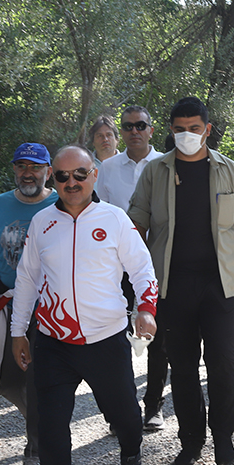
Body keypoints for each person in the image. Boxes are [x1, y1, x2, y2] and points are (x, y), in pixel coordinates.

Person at [11, 145, 158, 465]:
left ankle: (130, 452)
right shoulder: (42, 223)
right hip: (53, 341)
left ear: (94, 175)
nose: (71, 182)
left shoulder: (114, 219)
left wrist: (145, 308)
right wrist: (17, 332)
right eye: (62, 176)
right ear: (52, 179)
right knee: (52, 422)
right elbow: (27, 279)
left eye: (79, 174)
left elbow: (142, 268)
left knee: (126, 415)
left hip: (104, 339)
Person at [128, 96, 234, 465]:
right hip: (172, 286)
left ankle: (223, 438)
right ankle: (190, 441)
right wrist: (135, 280)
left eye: (194, 128)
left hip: (220, 286)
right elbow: (135, 224)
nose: (187, 135)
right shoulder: (155, 172)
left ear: (206, 129)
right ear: (170, 130)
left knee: (223, 362)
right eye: (179, 129)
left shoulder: (228, 170)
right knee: (182, 365)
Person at [0, 143, 58, 465]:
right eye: (22, 166)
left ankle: (36, 452)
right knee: (7, 382)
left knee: (36, 380)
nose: (28, 173)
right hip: (10, 305)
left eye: (36, 167)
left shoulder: (62, 203)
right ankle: (45, 424)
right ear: (14, 170)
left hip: (51, 306)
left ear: (48, 171)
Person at [95, 106, 168, 431]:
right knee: (117, 338)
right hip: (118, 265)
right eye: (128, 126)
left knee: (158, 334)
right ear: (121, 132)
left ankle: (154, 406)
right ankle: (124, 408)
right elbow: (99, 215)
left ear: (151, 130)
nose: (134, 131)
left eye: (141, 125)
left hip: (161, 261)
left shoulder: (168, 163)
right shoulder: (107, 168)